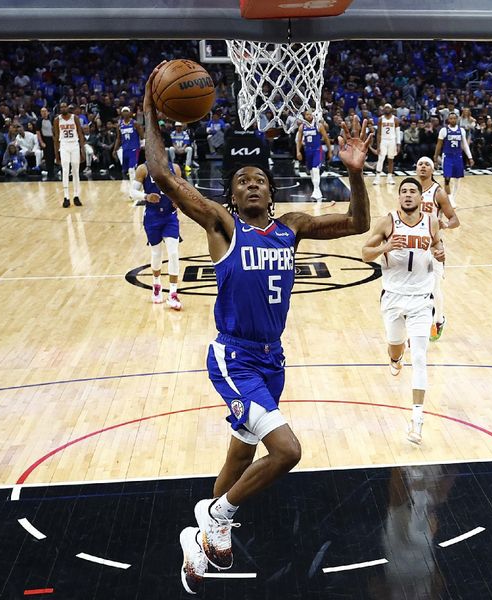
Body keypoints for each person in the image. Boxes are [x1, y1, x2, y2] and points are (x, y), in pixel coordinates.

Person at [142, 63, 372, 595]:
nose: (251, 184)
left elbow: (358, 225)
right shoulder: (223, 226)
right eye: (242, 180)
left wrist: (355, 173)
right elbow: (163, 177)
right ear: (232, 194)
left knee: (242, 452)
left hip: (273, 359)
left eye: (260, 180)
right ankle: (216, 514)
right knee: (288, 451)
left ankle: (198, 541)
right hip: (233, 357)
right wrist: (153, 113)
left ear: (271, 193)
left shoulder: (291, 228)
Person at [361, 177, 445, 445]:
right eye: (404, 192)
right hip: (393, 297)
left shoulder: (431, 222)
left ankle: (417, 420)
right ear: (399, 198)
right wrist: (385, 247)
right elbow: (364, 253)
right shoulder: (387, 222)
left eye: (413, 192)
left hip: (421, 298)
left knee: (420, 357)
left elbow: (437, 246)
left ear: (421, 198)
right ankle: (395, 358)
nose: (408, 195)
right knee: (395, 347)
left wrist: (440, 253)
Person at [415, 157, 459, 342]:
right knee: (415, 288)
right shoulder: (410, 190)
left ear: (432, 170)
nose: (423, 167)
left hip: (433, 246)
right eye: (420, 164)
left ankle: (439, 320)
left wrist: (446, 225)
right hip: (414, 245)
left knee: (434, 288)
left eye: (427, 165)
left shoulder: (438, 192)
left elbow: (455, 219)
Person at [129, 159, 183, 310]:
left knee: (173, 253)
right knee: (156, 254)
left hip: (170, 217)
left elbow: (182, 189)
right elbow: (132, 192)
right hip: (152, 217)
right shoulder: (143, 169)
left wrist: (179, 200)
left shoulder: (175, 168)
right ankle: (156, 284)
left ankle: (173, 293)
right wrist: (146, 197)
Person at [433, 112, 474, 208]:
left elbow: (464, 145)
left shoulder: (462, 131)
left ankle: (453, 198)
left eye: (454, 118)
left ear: (457, 119)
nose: (453, 120)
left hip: (458, 156)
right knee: (447, 178)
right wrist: (435, 156)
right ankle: (450, 199)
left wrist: (470, 157)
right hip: (447, 156)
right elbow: (439, 145)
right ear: (448, 120)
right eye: (451, 118)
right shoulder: (444, 130)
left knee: (457, 179)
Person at [295, 110, 333, 202]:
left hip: (317, 150)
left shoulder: (318, 126)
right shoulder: (302, 127)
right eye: (306, 114)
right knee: (311, 171)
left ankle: (317, 190)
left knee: (316, 170)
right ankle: (316, 189)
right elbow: (299, 140)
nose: (308, 116)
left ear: (313, 115)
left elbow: (327, 139)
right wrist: (298, 152)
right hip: (307, 151)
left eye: (310, 114)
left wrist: (330, 151)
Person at [53, 102, 85, 208]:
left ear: (68, 108)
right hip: (64, 146)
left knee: (75, 171)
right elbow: (56, 137)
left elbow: (80, 133)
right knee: (65, 171)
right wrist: (56, 154)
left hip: (75, 145)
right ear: (59, 109)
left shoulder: (74, 118)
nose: (63, 108)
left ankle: (76, 196)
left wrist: (82, 150)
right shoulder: (57, 120)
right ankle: (66, 197)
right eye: (61, 107)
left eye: (64, 106)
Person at [113, 106, 144, 183]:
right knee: (125, 170)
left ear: (130, 113)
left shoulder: (135, 123)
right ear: (121, 113)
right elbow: (118, 138)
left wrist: (143, 145)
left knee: (131, 168)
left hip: (134, 148)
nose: (125, 113)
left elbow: (142, 136)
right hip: (125, 148)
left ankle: (133, 187)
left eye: (127, 111)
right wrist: (114, 150)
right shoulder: (119, 125)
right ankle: (132, 184)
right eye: (124, 111)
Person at [374, 103, 400, 185]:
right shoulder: (380, 119)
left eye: (388, 108)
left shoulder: (395, 119)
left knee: (391, 159)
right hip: (383, 140)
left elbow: (398, 133)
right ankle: (377, 177)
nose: (387, 109)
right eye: (385, 108)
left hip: (392, 140)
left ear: (391, 109)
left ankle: (390, 177)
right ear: (383, 109)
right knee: (381, 158)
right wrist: (378, 145)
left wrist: (398, 144)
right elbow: (378, 133)